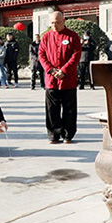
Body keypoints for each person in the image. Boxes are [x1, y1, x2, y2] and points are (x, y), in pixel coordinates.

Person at [39, 11, 81, 144]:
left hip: (68, 79)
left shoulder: (73, 36)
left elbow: (76, 55)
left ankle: (68, 135)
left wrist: (64, 70)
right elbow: (41, 55)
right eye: (52, 22)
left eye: (57, 22)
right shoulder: (46, 37)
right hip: (51, 80)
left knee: (69, 108)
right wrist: (50, 70)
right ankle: (54, 134)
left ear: (63, 21)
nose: (54, 25)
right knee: (52, 109)